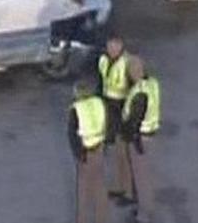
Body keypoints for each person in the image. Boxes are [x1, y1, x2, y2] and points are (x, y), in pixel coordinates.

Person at [121, 56, 160, 223]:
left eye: (130, 70)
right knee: (145, 177)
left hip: (140, 139)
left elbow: (134, 121)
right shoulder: (152, 83)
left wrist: (131, 139)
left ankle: (144, 216)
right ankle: (144, 209)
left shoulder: (139, 93)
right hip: (149, 135)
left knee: (141, 178)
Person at [68, 78, 110, 223]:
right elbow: (106, 125)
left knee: (83, 190)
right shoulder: (99, 103)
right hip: (99, 148)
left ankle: (82, 220)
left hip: (85, 151)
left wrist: (79, 155)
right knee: (99, 186)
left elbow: (72, 135)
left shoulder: (76, 109)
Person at [97, 35, 133, 204]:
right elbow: (101, 84)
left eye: (114, 47)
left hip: (122, 109)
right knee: (117, 154)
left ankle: (130, 193)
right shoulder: (103, 60)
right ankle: (121, 188)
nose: (111, 50)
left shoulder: (127, 63)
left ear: (121, 46)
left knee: (124, 155)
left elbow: (134, 92)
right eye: (109, 47)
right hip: (109, 107)